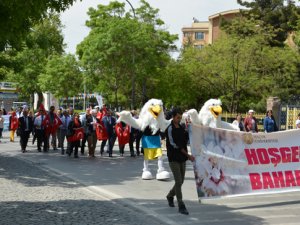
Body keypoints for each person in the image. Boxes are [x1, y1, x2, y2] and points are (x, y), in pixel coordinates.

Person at [165, 108, 195, 215]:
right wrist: (188, 155)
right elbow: (174, 145)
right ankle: (181, 204)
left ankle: (169, 196)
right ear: (173, 117)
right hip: (174, 158)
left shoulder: (182, 127)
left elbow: (186, 139)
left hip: (182, 157)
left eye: (180, 117)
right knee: (178, 181)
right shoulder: (169, 129)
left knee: (181, 181)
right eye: (177, 117)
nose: (179, 119)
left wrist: (191, 129)